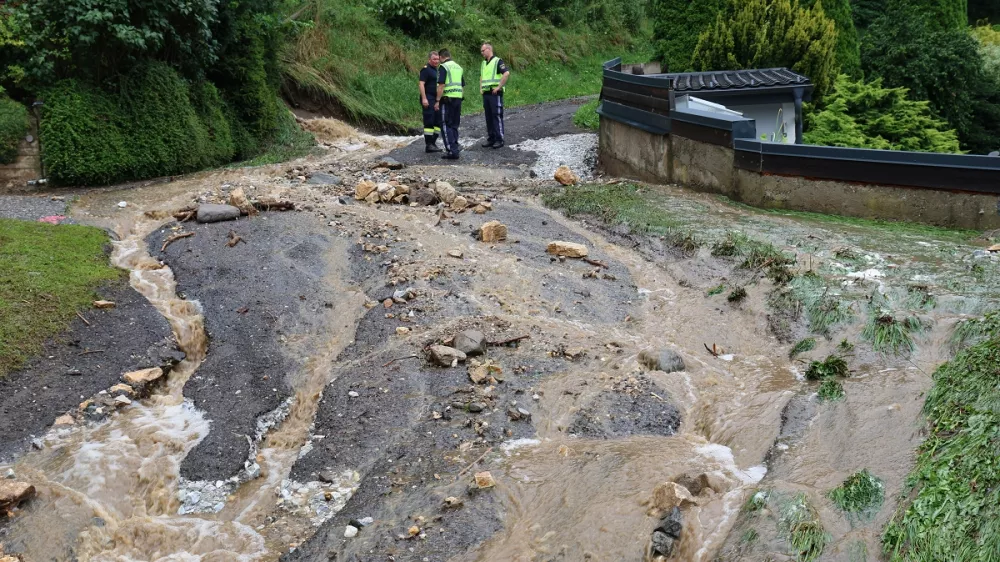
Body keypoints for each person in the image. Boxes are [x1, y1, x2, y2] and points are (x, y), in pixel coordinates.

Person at [479, 43, 510, 149]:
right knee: (488, 117)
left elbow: (506, 73)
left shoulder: (498, 61)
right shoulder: (484, 63)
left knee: (496, 115)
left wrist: (499, 87)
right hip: (486, 93)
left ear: (489, 50)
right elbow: (482, 77)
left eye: (483, 51)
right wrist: (481, 88)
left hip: (494, 93)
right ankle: (491, 138)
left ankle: (499, 139)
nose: (482, 53)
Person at [436, 49, 464, 160]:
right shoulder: (458, 67)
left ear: (441, 57)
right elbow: (462, 85)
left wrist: (437, 100)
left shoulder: (443, 67)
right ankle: (455, 147)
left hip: (447, 99)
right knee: (454, 125)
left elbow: (441, 85)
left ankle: (451, 151)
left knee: (445, 124)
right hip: (458, 98)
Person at [418, 51, 443, 153]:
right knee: (429, 121)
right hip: (428, 98)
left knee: (438, 121)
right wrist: (424, 98)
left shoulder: (437, 70)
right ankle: (428, 145)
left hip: (436, 98)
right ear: (429, 60)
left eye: (437, 59)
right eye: (434, 59)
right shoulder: (426, 70)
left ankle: (433, 143)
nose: (436, 61)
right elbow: (421, 84)